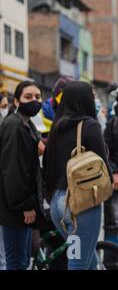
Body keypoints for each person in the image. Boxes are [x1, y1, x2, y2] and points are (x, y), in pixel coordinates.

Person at [43, 81, 113, 270]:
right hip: (82, 205)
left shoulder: (56, 128)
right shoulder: (90, 126)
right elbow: (103, 164)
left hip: (58, 206)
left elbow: (46, 167)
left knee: (88, 259)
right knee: (79, 262)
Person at [0, 81, 43, 270]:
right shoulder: (14, 127)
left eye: (37, 97)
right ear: (16, 101)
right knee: (16, 263)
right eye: (28, 97)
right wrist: (25, 205)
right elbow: (14, 171)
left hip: (18, 207)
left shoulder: (25, 125)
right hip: (15, 210)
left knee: (22, 261)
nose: (34, 101)